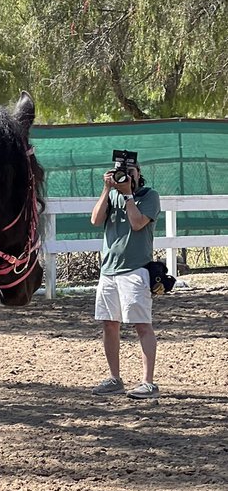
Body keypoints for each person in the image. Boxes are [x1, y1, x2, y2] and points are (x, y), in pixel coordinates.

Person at [89, 151, 161, 398]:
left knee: (142, 325)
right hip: (108, 270)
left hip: (135, 270)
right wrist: (107, 190)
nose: (126, 176)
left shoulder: (149, 196)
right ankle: (114, 378)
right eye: (122, 172)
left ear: (139, 174)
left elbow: (137, 223)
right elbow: (96, 220)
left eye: (131, 172)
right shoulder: (111, 196)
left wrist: (128, 194)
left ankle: (148, 382)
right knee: (109, 325)